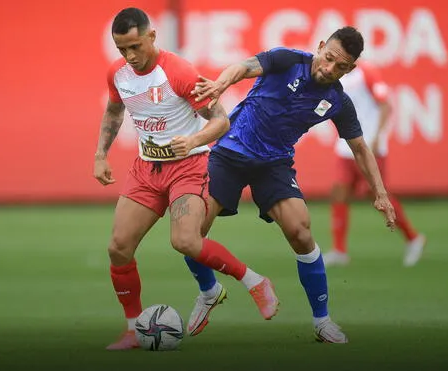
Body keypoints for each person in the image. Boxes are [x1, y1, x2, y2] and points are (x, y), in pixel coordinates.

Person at [181, 26, 396, 344]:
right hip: (229, 152)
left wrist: (381, 194)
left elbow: (360, 148)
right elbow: (242, 67)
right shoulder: (286, 60)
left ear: (350, 69)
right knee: (192, 232)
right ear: (321, 47)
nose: (329, 69)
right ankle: (209, 290)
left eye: (341, 67)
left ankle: (322, 321)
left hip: (274, 164)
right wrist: (219, 85)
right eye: (329, 58)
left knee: (301, 231)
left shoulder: (337, 100)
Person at [93, 8, 279, 351]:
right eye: (122, 49)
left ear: (151, 36)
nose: (130, 56)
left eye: (135, 46)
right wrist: (101, 154)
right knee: (118, 248)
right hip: (146, 170)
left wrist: (193, 141)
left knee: (186, 241)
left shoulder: (177, 71)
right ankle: (134, 329)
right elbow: (114, 110)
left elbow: (221, 121)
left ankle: (254, 281)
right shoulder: (117, 74)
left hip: (189, 166)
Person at [324, 62, 426, 268]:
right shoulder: (335, 76)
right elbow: (326, 104)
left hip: (369, 146)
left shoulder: (366, 73)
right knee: (338, 192)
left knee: (376, 195)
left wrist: (379, 136)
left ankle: (413, 238)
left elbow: (386, 104)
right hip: (345, 146)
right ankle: (339, 250)